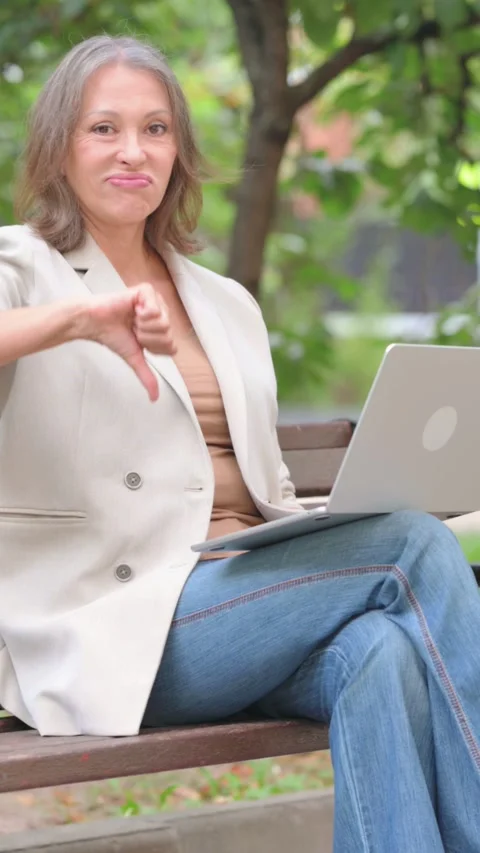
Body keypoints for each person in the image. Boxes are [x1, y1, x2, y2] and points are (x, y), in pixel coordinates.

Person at [1, 33, 480, 853]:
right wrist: (79, 318)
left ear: (179, 150)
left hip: (246, 597)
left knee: (380, 654)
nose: (133, 151)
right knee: (410, 547)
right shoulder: (25, 267)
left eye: (155, 129)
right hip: (119, 623)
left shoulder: (224, 303)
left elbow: (262, 485)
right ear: (59, 148)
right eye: (103, 128)